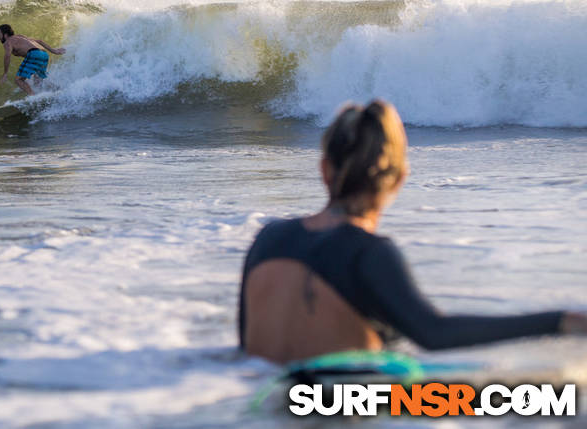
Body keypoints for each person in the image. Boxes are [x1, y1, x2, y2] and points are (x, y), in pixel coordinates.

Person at [238, 99, 587, 364]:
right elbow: (433, 333)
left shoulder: (268, 238)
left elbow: (246, 348)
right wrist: (562, 322)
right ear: (399, 178)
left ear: (324, 169)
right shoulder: (367, 253)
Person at [0, 23, 66, 96]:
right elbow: (39, 41)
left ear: (5, 35)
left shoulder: (8, 42)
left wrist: (5, 73)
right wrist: (54, 51)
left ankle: (33, 97)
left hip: (33, 54)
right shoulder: (20, 36)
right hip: (44, 54)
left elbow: (7, 56)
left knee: (18, 80)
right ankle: (59, 90)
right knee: (38, 82)